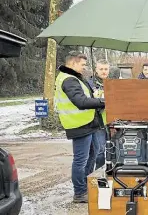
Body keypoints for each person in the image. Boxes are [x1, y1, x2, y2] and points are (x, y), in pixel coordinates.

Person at [54, 51, 105, 203]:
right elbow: (81, 102)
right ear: (73, 63)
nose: (84, 68)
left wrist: (96, 97)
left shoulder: (74, 77)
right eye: (82, 65)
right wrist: (103, 101)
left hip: (88, 123)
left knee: (93, 154)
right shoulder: (69, 80)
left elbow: (85, 98)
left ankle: (86, 184)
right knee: (81, 160)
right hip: (79, 125)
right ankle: (80, 192)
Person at [87, 59, 109, 170]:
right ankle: (99, 175)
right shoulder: (90, 84)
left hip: (112, 122)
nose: (104, 71)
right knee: (100, 150)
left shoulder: (112, 83)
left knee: (113, 149)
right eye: (101, 69)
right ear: (96, 70)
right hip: (98, 122)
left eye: (106, 69)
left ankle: (110, 172)